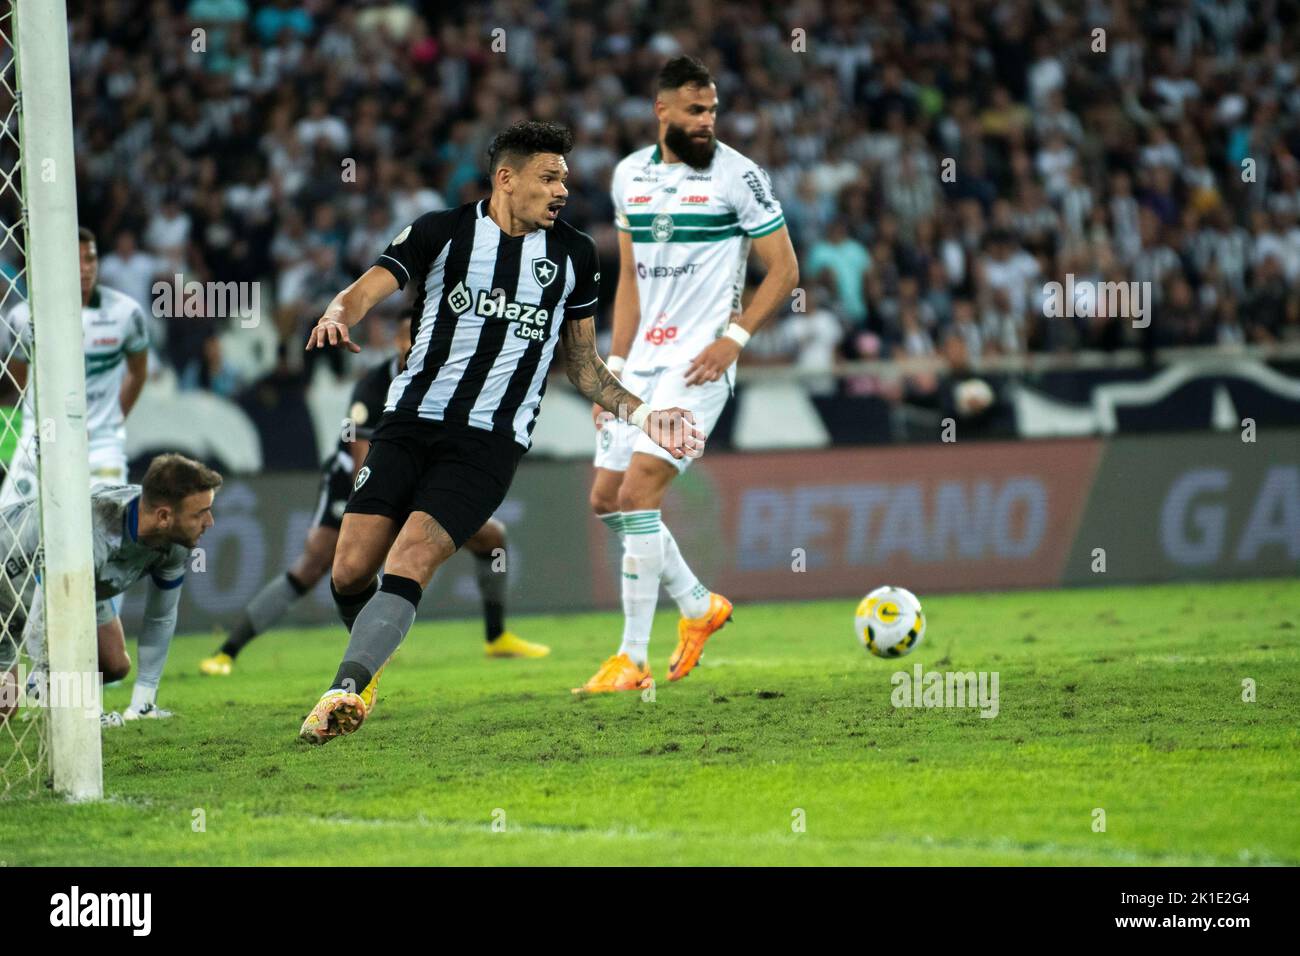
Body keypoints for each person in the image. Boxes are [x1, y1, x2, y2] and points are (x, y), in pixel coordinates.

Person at [297, 120, 704, 744]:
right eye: (548, 177)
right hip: (407, 424)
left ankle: (346, 689)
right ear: (506, 179)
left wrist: (649, 416)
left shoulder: (574, 255)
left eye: (565, 178)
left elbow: (585, 366)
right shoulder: (440, 231)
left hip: (489, 442)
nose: (562, 189)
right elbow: (365, 292)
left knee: (410, 559)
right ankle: (369, 667)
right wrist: (333, 312)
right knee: (349, 572)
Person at [578, 56, 799, 694]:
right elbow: (629, 279)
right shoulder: (628, 177)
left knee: (638, 494)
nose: (707, 122)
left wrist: (734, 340)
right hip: (640, 362)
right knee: (605, 500)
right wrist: (612, 367)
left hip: (700, 366)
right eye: (695, 111)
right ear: (663, 111)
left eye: (713, 111)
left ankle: (631, 659)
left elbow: (784, 270)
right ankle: (700, 607)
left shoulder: (740, 176)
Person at [198, 317, 546, 676]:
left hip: (422, 480)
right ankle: (227, 651)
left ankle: (496, 637)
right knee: (316, 564)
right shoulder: (374, 385)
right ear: (400, 343)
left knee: (494, 539)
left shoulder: (450, 379)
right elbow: (361, 457)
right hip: (360, 480)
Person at [0, 227, 153, 704]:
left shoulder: (126, 314)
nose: (85, 268)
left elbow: (139, 371)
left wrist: (110, 423)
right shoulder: (23, 316)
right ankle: (13, 661)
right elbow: (21, 379)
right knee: (8, 542)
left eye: (91, 259)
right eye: (76, 260)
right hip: (37, 443)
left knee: (106, 540)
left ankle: (75, 674)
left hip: (100, 446)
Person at [0, 454, 221, 725]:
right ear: (163, 516)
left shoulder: (174, 541)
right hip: (8, 581)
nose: (210, 522)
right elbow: (41, 625)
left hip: (76, 584)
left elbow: (160, 617)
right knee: (4, 707)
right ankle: (51, 689)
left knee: (114, 663)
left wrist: (143, 700)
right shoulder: (90, 535)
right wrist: (82, 712)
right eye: (200, 513)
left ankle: (45, 686)